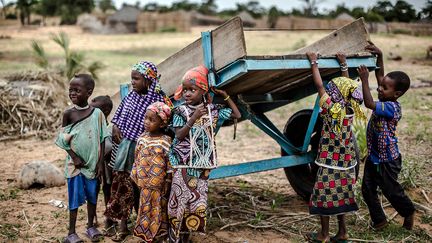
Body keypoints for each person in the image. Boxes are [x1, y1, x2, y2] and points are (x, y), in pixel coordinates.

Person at [168, 65, 241, 242]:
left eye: (192, 90)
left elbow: (236, 114)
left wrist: (226, 96)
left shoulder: (213, 110)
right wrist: (193, 119)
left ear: (203, 91)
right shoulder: (179, 111)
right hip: (184, 163)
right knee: (178, 200)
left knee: (196, 202)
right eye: (184, 89)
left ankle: (186, 236)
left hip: (203, 164)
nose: (187, 93)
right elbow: (179, 134)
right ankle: (173, 237)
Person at [105, 61, 172, 242]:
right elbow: (119, 117)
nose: (132, 82)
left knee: (142, 188)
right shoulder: (130, 96)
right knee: (122, 184)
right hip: (126, 147)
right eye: (131, 78)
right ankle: (122, 225)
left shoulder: (159, 100)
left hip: (147, 151)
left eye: (136, 78)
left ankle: (147, 224)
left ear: (149, 80)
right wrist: (116, 127)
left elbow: (166, 124)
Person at [305, 53, 365, 243]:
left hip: (329, 163)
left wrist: (313, 61)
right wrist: (344, 65)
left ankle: (324, 235)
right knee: (342, 196)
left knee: (324, 196)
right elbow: (346, 87)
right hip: (346, 163)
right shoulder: (349, 108)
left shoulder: (332, 109)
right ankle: (343, 232)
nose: (328, 92)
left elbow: (319, 86)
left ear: (334, 95)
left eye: (332, 91)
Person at [358, 41, 415, 230]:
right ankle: (379, 220)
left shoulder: (391, 107)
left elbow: (368, 103)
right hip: (375, 156)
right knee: (367, 189)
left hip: (387, 160)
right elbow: (381, 76)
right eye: (380, 86)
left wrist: (364, 80)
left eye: (384, 88)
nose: (379, 88)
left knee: (391, 191)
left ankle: (408, 212)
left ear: (397, 93)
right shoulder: (387, 96)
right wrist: (380, 56)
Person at [55, 74, 109, 243]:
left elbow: (101, 140)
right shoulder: (68, 114)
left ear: (89, 92)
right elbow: (62, 140)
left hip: (93, 165)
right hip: (75, 166)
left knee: (92, 197)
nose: (72, 93)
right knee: (74, 199)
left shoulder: (97, 114)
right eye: (70, 90)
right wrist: (75, 157)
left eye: (77, 90)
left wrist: (100, 164)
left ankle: (91, 226)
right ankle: (71, 233)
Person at [130, 102, 173, 242]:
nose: (147, 122)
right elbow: (137, 158)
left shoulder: (165, 141)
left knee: (158, 208)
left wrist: (168, 181)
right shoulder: (142, 139)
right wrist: (135, 174)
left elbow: (169, 164)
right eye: (145, 118)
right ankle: (146, 233)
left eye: (152, 120)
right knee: (144, 207)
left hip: (158, 184)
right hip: (143, 183)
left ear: (162, 124)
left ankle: (160, 234)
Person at [89, 95, 115, 235]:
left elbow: (109, 147)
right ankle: (92, 219)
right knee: (93, 190)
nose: (90, 103)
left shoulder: (110, 128)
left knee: (107, 189)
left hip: (107, 165)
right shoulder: (90, 125)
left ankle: (109, 219)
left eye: (94, 103)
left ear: (104, 111)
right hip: (94, 164)